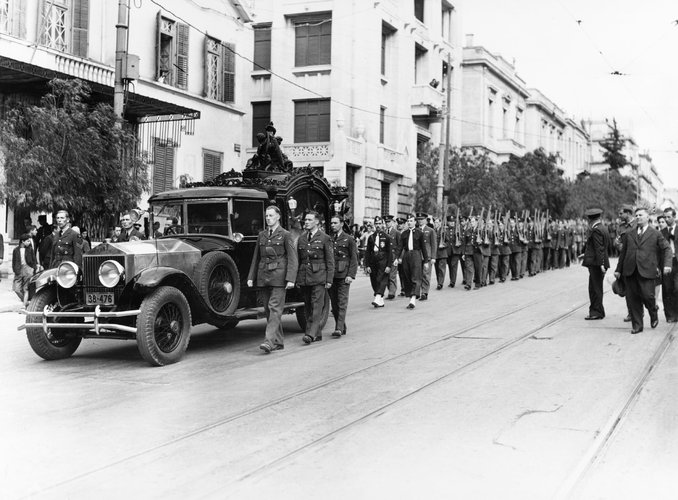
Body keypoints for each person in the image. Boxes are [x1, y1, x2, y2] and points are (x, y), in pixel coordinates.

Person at [247, 205, 298, 354]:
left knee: (275, 308)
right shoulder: (262, 235)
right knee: (268, 310)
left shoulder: (286, 235)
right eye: (267, 216)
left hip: (279, 276)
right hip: (264, 276)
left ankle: (269, 342)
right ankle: (279, 342)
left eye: (271, 216)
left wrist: (291, 279)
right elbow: (256, 257)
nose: (268, 218)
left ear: (278, 217)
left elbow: (292, 259)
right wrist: (251, 277)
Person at [614, 207, 672, 334]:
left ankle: (653, 311)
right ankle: (637, 326)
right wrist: (618, 269)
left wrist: (667, 264)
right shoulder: (630, 233)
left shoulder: (655, 233)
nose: (638, 217)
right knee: (632, 298)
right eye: (637, 215)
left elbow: (667, 249)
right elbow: (623, 253)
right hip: (630, 270)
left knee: (647, 296)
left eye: (641, 215)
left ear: (647, 217)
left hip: (647, 270)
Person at [296, 211, 334, 344]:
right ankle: (317, 333)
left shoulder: (325, 238)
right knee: (307, 305)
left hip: (319, 276)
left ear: (317, 222)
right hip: (305, 277)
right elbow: (300, 260)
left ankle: (310, 333)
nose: (306, 222)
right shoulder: (301, 238)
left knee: (317, 305)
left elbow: (330, 260)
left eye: (309, 220)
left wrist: (329, 279)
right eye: (305, 220)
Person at [329, 215, 358, 337]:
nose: (333, 225)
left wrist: (351, 275)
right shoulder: (329, 239)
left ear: (341, 224)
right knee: (334, 304)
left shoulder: (349, 239)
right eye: (331, 223)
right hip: (332, 276)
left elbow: (354, 258)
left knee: (342, 302)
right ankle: (342, 326)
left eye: (335, 223)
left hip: (344, 275)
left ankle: (338, 328)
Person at [582, 208, 610, 320]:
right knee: (596, 287)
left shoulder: (596, 230)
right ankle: (599, 311)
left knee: (594, 288)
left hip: (597, 264)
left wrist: (601, 264)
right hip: (599, 262)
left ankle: (596, 312)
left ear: (590, 219)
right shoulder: (603, 228)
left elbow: (599, 248)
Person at [398, 214, 429, 309]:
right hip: (406, 255)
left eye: (411, 221)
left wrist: (426, 261)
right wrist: (397, 258)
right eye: (408, 221)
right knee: (407, 276)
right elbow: (400, 247)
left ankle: (413, 299)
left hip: (416, 255)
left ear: (415, 222)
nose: (409, 222)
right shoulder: (404, 234)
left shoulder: (420, 233)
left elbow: (424, 248)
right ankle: (410, 295)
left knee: (415, 276)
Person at [365, 216, 392, 308]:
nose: (378, 225)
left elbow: (389, 252)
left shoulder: (387, 237)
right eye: (376, 224)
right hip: (373, 260)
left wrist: (389, 265)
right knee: (374, 279)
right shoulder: (371, 237)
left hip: (383, 259)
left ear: (383, 224)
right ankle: (380, 299)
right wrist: (367, 265)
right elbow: (368, 252)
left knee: (382, 278)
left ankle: (377, 296)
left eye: (380, 223)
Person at [660, 207, 678, 322]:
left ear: (674, 217)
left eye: (669, 217)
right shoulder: (661, 233)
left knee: (677, 288)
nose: (666, 219)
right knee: (667, 288)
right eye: (665, 217)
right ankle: (670, 315)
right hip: (667, 263)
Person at [13, 233, 37, 307]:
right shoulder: (16, 250)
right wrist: (15, 270)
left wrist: (33, 268)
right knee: (16, 289)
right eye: (27, 241)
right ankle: (26, 302)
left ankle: (24, 305)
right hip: (19, 269)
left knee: (25, 288)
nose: (29, 243)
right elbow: (14, 261)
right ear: (23, 241)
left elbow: (34, 260)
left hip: (28, 269)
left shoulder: (30, 249)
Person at [384, 215, 401, 299]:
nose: (387, 223)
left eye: (389, 222)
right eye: (386, 222)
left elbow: (399, 246)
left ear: (393, 222)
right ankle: (390, 289)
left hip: (393, 255)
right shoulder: (383, 232)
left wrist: (397, 258)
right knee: (386, 274)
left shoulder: (396, 232)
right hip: (385, 256)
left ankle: (392, 292)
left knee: (392, 275)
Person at [433, 217, 449, 290]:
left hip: (442, 253)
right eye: (435, 222)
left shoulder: (444, 231)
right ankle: (438, 282)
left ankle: (440, 283)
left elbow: (448, 241)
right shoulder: (433, 231)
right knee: (437, 269)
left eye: (437, 222)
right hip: (435, 253)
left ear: (440, 223)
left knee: (441, 269)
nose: (436, 224)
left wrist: (444, 245)